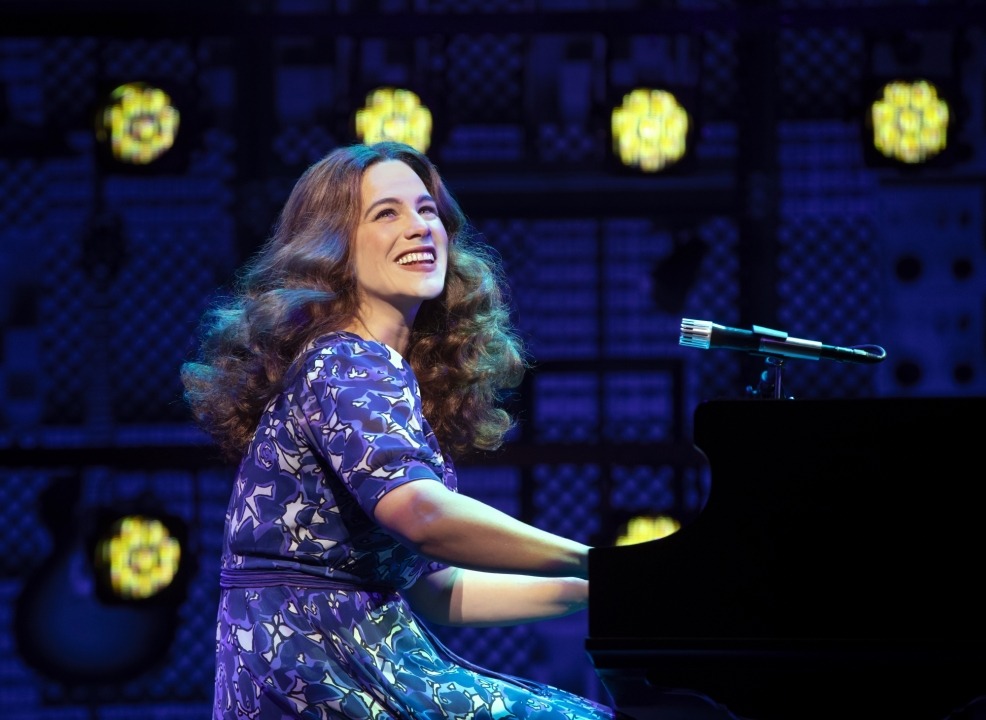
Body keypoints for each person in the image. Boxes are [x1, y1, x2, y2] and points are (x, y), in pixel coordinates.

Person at [181, 140, 630, 720]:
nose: (420, 228)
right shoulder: (345, 362)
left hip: (311, 669)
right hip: (320, 671)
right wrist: (601, 562)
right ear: (333, 247)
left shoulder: (366, 369)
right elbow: (424, 519)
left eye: (426, 210)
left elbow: (436, 592)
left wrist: (602, 592)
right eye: (385, 213)